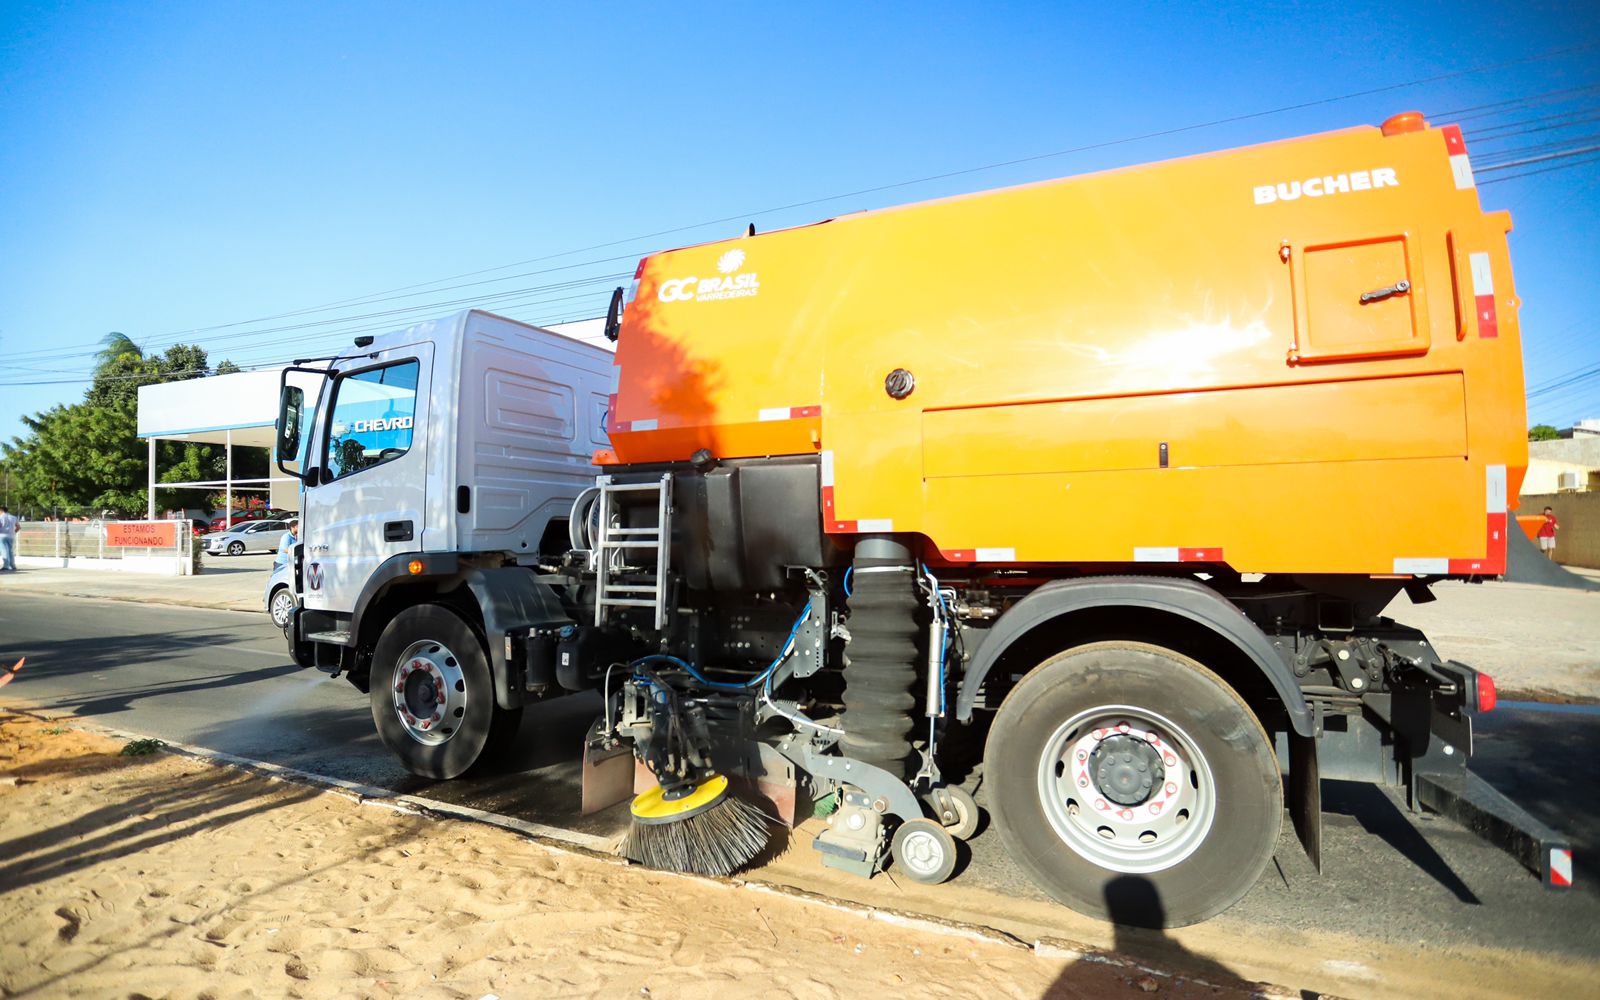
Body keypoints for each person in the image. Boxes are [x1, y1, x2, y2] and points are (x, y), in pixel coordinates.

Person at [0, 505, 17, 571]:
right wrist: (13, 532)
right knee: (10, 551)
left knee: (4, 550)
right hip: (11, 536)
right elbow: (18, 527)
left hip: (2, 535)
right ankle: (13, 565)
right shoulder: (13, 517)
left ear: (1, 510)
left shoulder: (1, 517)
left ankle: (6, 565)